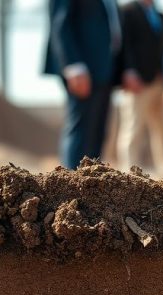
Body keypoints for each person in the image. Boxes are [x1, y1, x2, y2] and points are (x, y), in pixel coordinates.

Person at [45, 0, 122, 169]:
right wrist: (73, 65)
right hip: (82, 70)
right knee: (81, 131)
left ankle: (92, 187)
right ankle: (71, 183)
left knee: (97, 133)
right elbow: (60, 23)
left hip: (106, 70)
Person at [118, 0, 163, 175]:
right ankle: (130, 173)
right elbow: (124, 43)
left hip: (159, 82)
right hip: (137, 83)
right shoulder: (128, 11)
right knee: (133, 129)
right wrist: (128, 71)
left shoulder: (160, 16)